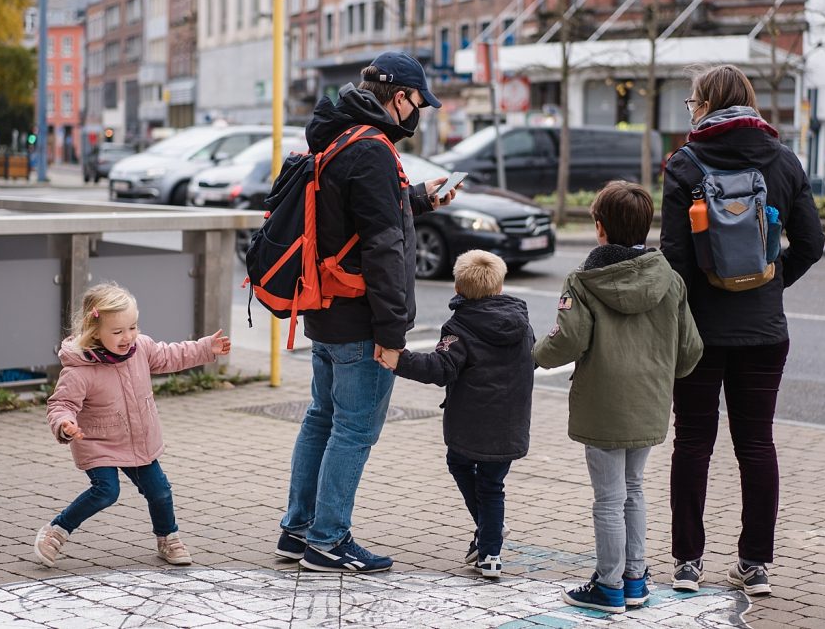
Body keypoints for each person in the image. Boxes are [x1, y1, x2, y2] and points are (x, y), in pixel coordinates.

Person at [275, 51, 456, 573]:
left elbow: (351, 213)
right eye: (418, 101)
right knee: (353, 431)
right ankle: (328, 540)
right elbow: (381, 247)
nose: (419, 112)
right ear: (399, 97)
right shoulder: (373, 149)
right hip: (360, 319)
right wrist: (393, 332)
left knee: (320, 420)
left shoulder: (338, 134)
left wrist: (418, 198)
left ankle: (298, 528)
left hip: (326, 308)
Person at [662, 65, 824, 596]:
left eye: (693, 102)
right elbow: (811, 242)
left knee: (692, 443)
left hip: (700, 332)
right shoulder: (783, 159)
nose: (692, 110)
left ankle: (688, 563)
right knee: (756, 445)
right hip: (764, 331)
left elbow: (674, 257)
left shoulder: (685, 163)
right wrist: (769, 284)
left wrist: (702, 295)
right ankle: (754, 565)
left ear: (706, 104)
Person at [534, 181, 704, 614]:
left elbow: (565, 344)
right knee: (634, 490)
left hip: (603, 405)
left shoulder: (584, 281)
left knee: (608, 499)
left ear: (599, 228)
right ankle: (635, 578)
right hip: (649, 404)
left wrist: (532, 354)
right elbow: (690, 351)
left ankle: (608, 586)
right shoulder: (670, 279)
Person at [34, 282, 231, 569]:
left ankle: (168, 538)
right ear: (94, 331)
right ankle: (56, 531)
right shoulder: (79, 370)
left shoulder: (141, 349)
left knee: (160, 490)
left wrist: (204, 348)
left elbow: (170, 355)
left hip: (138, 439)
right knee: (106, 491)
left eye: (133, 327)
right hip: (98, 442)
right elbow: (60, 405)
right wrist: (65, 424)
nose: (128, 337)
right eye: (118, 332)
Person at [379, 250, 534, 579]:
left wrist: (400, 360)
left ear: (458, 289)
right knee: (493, 483)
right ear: (500, 287)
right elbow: (530, 362)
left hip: (470, 424)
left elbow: (440, 368)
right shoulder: (522, 323)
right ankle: (490, 545)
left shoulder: (459, 327)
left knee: (461, 465)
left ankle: (490, 540)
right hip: (510, 423)